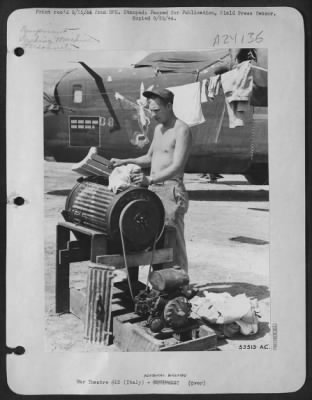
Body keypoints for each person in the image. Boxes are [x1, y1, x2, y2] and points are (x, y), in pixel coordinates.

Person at [110, 88, 192, 272]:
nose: (153, 115)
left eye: (156, 111)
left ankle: (180, 285)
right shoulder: (158, 129)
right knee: (156, 240)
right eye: (151, 110)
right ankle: (161, 284)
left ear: (169, 106)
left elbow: (177, 166)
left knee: (174, 242)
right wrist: (125, 161)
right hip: (154, 190)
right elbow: (149, 157)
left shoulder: (182, 130)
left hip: (171, 191)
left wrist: (150, 178)